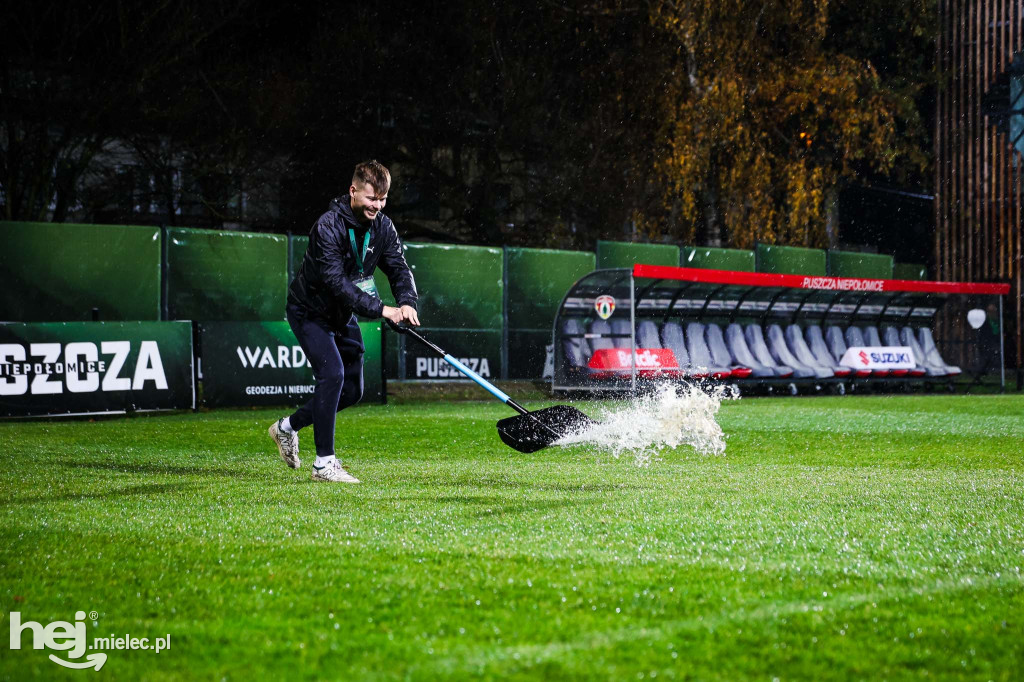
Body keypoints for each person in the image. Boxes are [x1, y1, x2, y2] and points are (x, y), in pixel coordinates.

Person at [268, 160, 420, 483]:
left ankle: (286, 428)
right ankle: (324, 464)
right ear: (353, 191)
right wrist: (383, 310)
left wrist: (406, 302)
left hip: (341, 313)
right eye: (371, 198)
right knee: (332, 374)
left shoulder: (383, 227)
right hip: (310, 311)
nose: (377, 206)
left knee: (352, 389)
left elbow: (398, 267)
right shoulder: (328, 227)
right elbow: (337, 283)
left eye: (382, 199)